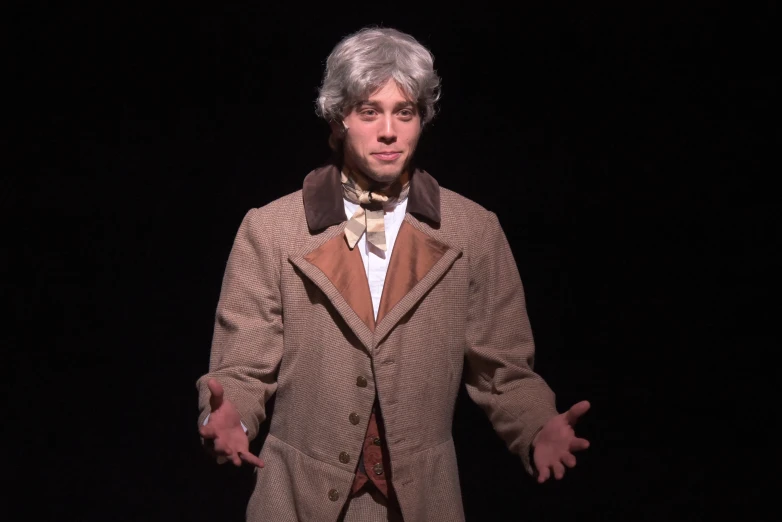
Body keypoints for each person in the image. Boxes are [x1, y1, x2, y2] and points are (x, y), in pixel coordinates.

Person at [196, 26, 591, 522]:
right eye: (369, 111)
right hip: (296, 500)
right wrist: (225, 413)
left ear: (422, 119)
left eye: (404, 112)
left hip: (422, 502)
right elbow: (242, 367)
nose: (389, 131)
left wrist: (536, 426)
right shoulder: (272, 230)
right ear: (339, 119)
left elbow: (505, 371)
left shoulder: (473, 231)